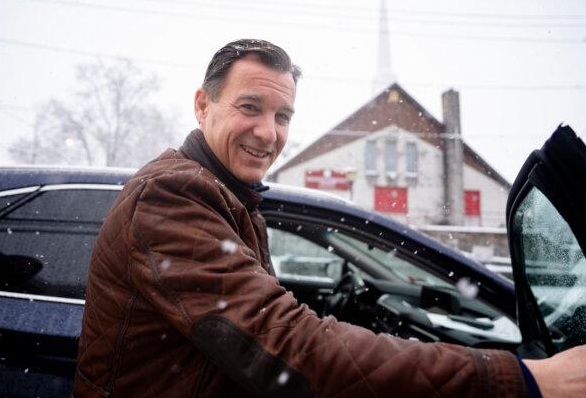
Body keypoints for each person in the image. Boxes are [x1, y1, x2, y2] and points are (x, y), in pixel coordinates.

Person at [74, 39, 586, 397]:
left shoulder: (229, 195)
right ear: (202, 105)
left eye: (283, 116)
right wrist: (518, 380)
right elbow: (288, 344)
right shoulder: (173, 195)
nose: (268, 133)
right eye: (249, 107)